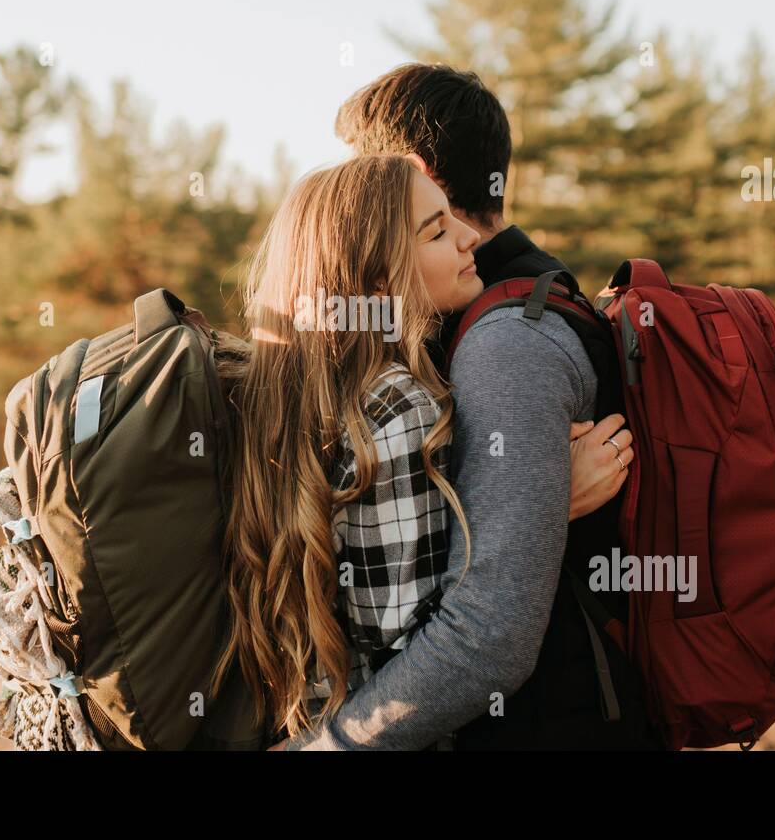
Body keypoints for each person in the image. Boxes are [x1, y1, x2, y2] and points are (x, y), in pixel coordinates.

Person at [277, 63, 664, 750]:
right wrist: (536, 496)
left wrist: (326, 746)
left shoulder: (505, 340)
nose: (351, 193)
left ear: (410, 168)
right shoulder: (497, 302)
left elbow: (489, 633)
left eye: (360, 168)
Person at [209, 153, 632, 746]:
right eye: (435, 231)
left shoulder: (281, 398)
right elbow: (421, 646)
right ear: (379, 280)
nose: (468, 239)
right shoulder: (397, 407)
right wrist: (541, 507)